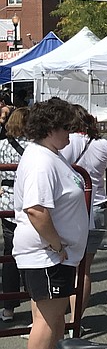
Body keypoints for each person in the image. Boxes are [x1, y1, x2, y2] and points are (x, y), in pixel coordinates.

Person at [13, 98, 88, 349]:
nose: (71, 132)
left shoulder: (49, 155)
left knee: (50, 317)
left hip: (53, 254)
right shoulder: (41, 160)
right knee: (46, 319)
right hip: (47, 254)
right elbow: (36, 209)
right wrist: (57, 244)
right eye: (66, 126)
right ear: (51, 127)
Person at [61, 105, 107, 314]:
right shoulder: (104, 144)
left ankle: (58, 321)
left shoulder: (67, 142)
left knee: (67, 266)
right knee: (84, 270)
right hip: (99, 205)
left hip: (73, 208)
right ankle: (76, 323)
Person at [0, 107, 30, 321]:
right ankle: (36, 298)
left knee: (9, 255)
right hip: (28, 199)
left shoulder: (1, 145)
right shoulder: (35, 147)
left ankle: (9, 306)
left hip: (7, 200)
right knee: (31, 252)